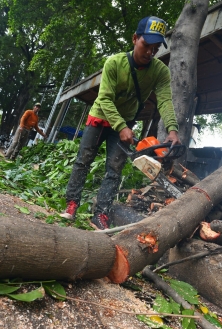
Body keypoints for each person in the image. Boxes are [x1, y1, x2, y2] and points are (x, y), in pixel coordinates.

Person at [59, 16, 181, 230]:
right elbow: (104, 98)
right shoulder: (114, 63)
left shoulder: (160, 72)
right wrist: (121, 127)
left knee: (114, 170)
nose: (150, 52)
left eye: (155, 48)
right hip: (100, 117)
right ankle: (71, 204)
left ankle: (101, 215)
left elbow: (164, 100)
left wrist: (172, 129)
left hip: (125, 123)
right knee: (83, 161)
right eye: (146, 45)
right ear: (135, 39)